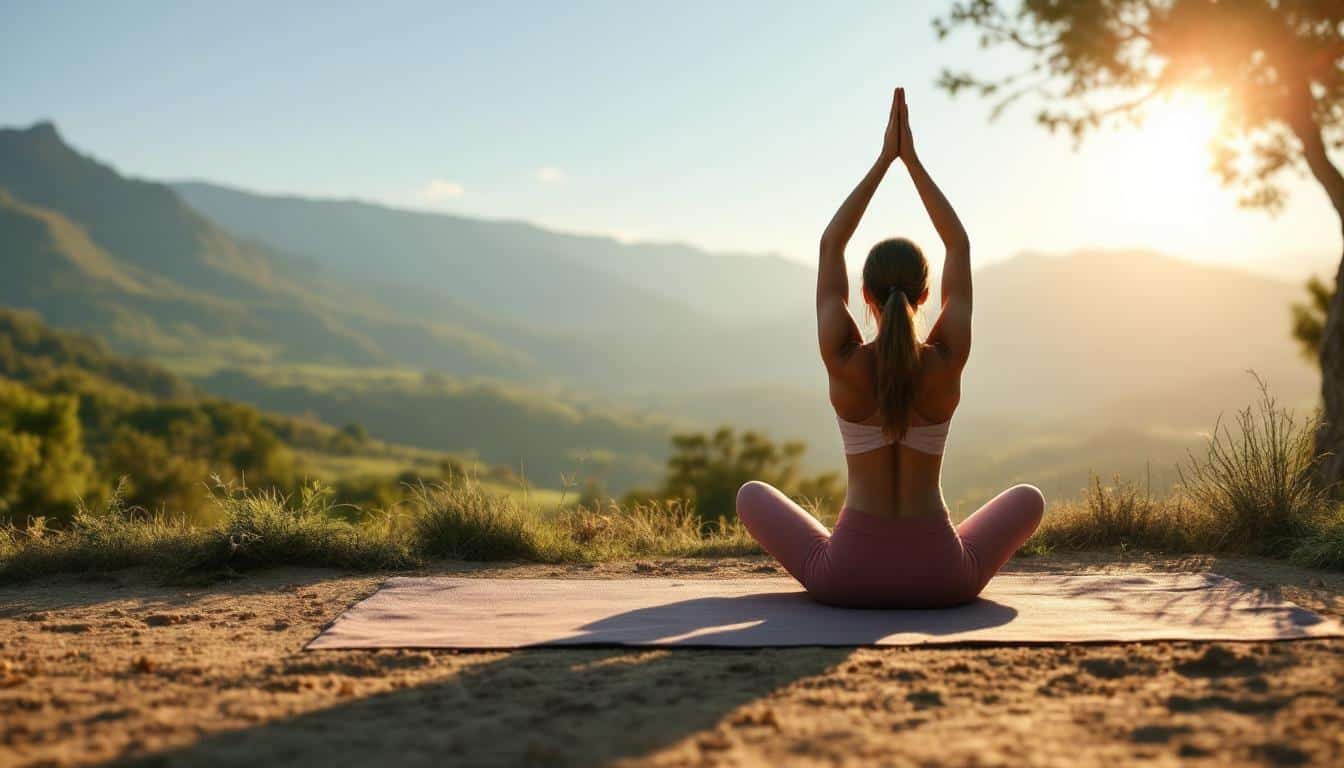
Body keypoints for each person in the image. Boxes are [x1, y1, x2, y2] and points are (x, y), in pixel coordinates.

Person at [736, 87, 1044, 608]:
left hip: (847, 580)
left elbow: (831, 244)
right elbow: (959, 245)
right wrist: (912, 163)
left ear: (864, 295)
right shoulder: (946, 359)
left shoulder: (843, 357)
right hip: (944, 580)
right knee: (1029, 499)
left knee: (750, 495)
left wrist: (884, 162)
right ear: (928, 296)